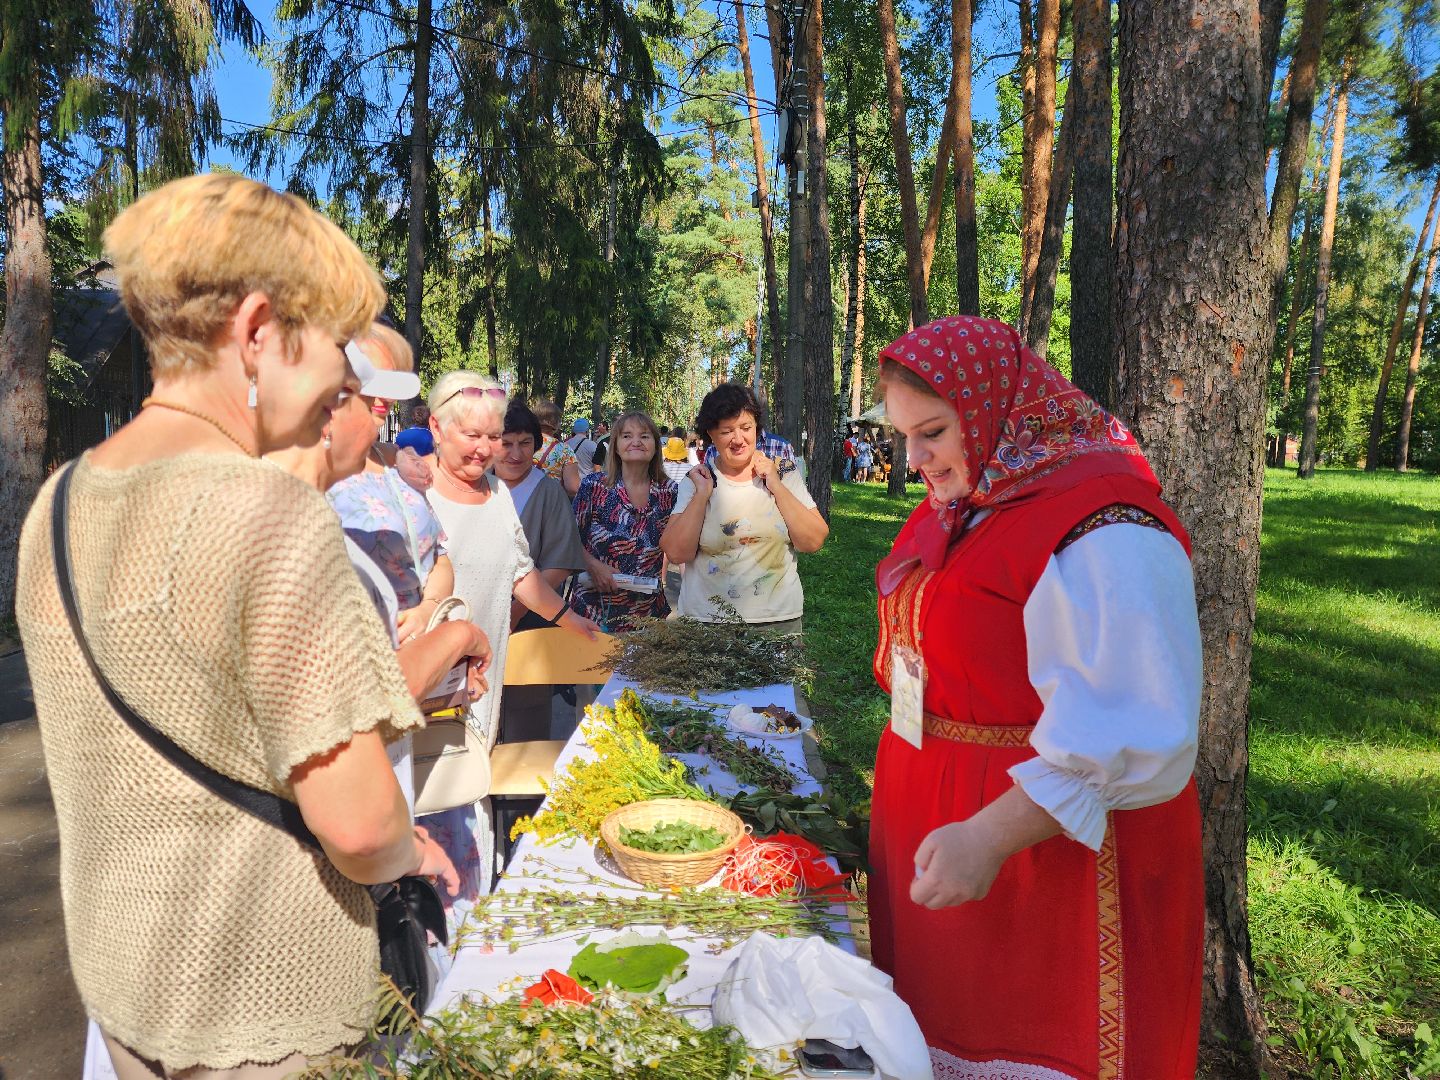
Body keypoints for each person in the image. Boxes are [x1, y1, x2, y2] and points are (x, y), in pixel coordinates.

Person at [15, 174, 455, 1078]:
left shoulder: (53, 506)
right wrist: (418, 849)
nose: (344, 374)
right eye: (336, 343)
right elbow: (364, 827)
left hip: (126, 991)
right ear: (258, 334)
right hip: (267, 1015)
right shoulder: (269, 514)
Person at [867, 316, 1203, 1079]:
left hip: (1047, 865)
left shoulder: (1105, 523)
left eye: (933, 433)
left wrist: (987, 839)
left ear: (994, 407)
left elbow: (1139, 724)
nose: (914, 460)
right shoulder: (978, 494)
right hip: (943, 829)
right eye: (902, 437)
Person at [271, 336, 489, 825]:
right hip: (355, 719)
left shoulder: (395, 469)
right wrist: (457, 638)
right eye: (369, 390)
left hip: (410, 693)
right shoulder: (292, 487)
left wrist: (432, 615)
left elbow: (440, 556)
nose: (379, 407)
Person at [424, 371, 600, 892]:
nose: (485, 449)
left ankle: (476, 898)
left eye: (493, 437)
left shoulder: (499, 494)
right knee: (438, 796)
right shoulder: (415, 496)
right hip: (435, 687)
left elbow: (521, 574)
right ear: (435, 427)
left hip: (488, 678)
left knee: (474, 788)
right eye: (471, 436)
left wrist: (569, 619)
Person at [660, 384, 828, 632]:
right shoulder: (698, 480)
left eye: (746, 428)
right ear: (711, 435)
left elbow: (813, 541)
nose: (738, 439)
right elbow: (675, 552)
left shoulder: (782, 471)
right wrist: (701, 496)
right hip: (705, 626)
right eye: (727, 431)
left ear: (757, 428)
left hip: (776, 625)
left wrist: (776, 486)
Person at [327, 325, 454, 644]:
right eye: (371, 377)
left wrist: (429, 610)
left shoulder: (395, 461)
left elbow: (438, 555)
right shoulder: (305, 465)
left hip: (424, 651)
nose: (385, 395)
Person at [572, 411, 678, 632]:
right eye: (627, 436)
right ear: (616, 446)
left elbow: (679, 547)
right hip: (594, 609)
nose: (636, 442)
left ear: (656, 446)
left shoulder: (670, 492)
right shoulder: (594, 486)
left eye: (645, 436)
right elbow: (569, 537)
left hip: (647, 614)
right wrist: (593, 565)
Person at [491, 401, 587, 628]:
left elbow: (560, 562)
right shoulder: (476, 484)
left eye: (525, 443)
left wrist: (518, 609)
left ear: (536, 444)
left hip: (531, 615)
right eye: (506, 444)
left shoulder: (549, 492)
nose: (516, 454)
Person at [531, 399, 582, 497]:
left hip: (521, 503)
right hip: (550, 504)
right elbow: (573, 487)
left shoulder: (522, 444)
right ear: (556, 423)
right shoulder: (564, 450)